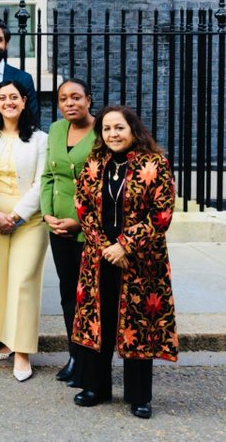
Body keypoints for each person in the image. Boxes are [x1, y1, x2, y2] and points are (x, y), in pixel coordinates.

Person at [72, 105, 177, 420]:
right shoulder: (94, 163)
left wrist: (125, 246)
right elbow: (82, 206)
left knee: (137, 326)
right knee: (98, 321)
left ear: (133, 129)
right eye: (106, 129)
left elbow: (161, 214)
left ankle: (139, 396)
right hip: (99, 256)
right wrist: (105, 245)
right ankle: (96, 387)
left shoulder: (155, 164)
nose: (112, 134)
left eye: (119, 128)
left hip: (141, 261)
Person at [0, 79, 49, 382]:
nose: (8, 102)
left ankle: (22, 352)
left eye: (14, 97)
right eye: (3, 97)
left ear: (24, 101)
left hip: (29, 220)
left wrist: (16, 215)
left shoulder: (40, 139)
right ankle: (4, 340)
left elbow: (41, 181)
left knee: (23, 281)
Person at [40, 78, 96, 387]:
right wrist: (48, 214)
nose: (69, 103)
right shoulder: (56, 130)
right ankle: (74, 353)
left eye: (76, 97)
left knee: (89, 295)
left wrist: (80, 221)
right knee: (67, 292)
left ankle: (89, 356)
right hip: (58, 226)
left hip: (88, 227)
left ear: (88, 99)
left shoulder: (103, 132)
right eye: (64, 99)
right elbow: (49, 174)